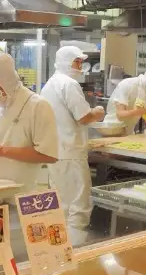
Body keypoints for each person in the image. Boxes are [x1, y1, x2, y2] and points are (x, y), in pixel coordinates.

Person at [0, 50, 58, 191]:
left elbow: (49, 155)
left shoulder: (37, 105)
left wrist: (2, 151)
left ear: (7, 80)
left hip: (23, 193)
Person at [40, 46, 105, 233]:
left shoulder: (50, 84)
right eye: (76, 62)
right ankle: (76, 251)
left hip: (55, 151)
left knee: (62, 203)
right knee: (78, 205)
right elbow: (83, 117)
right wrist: (98, 112)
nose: (79, 66)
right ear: (66, 62)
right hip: (71, 152)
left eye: (80, 62)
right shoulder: (68, 84)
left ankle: (62, 246)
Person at [103, 61, 146, 134]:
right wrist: (139, 111)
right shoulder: (127, 85)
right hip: (110, 130)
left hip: (129, 133)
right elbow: (120, 115)